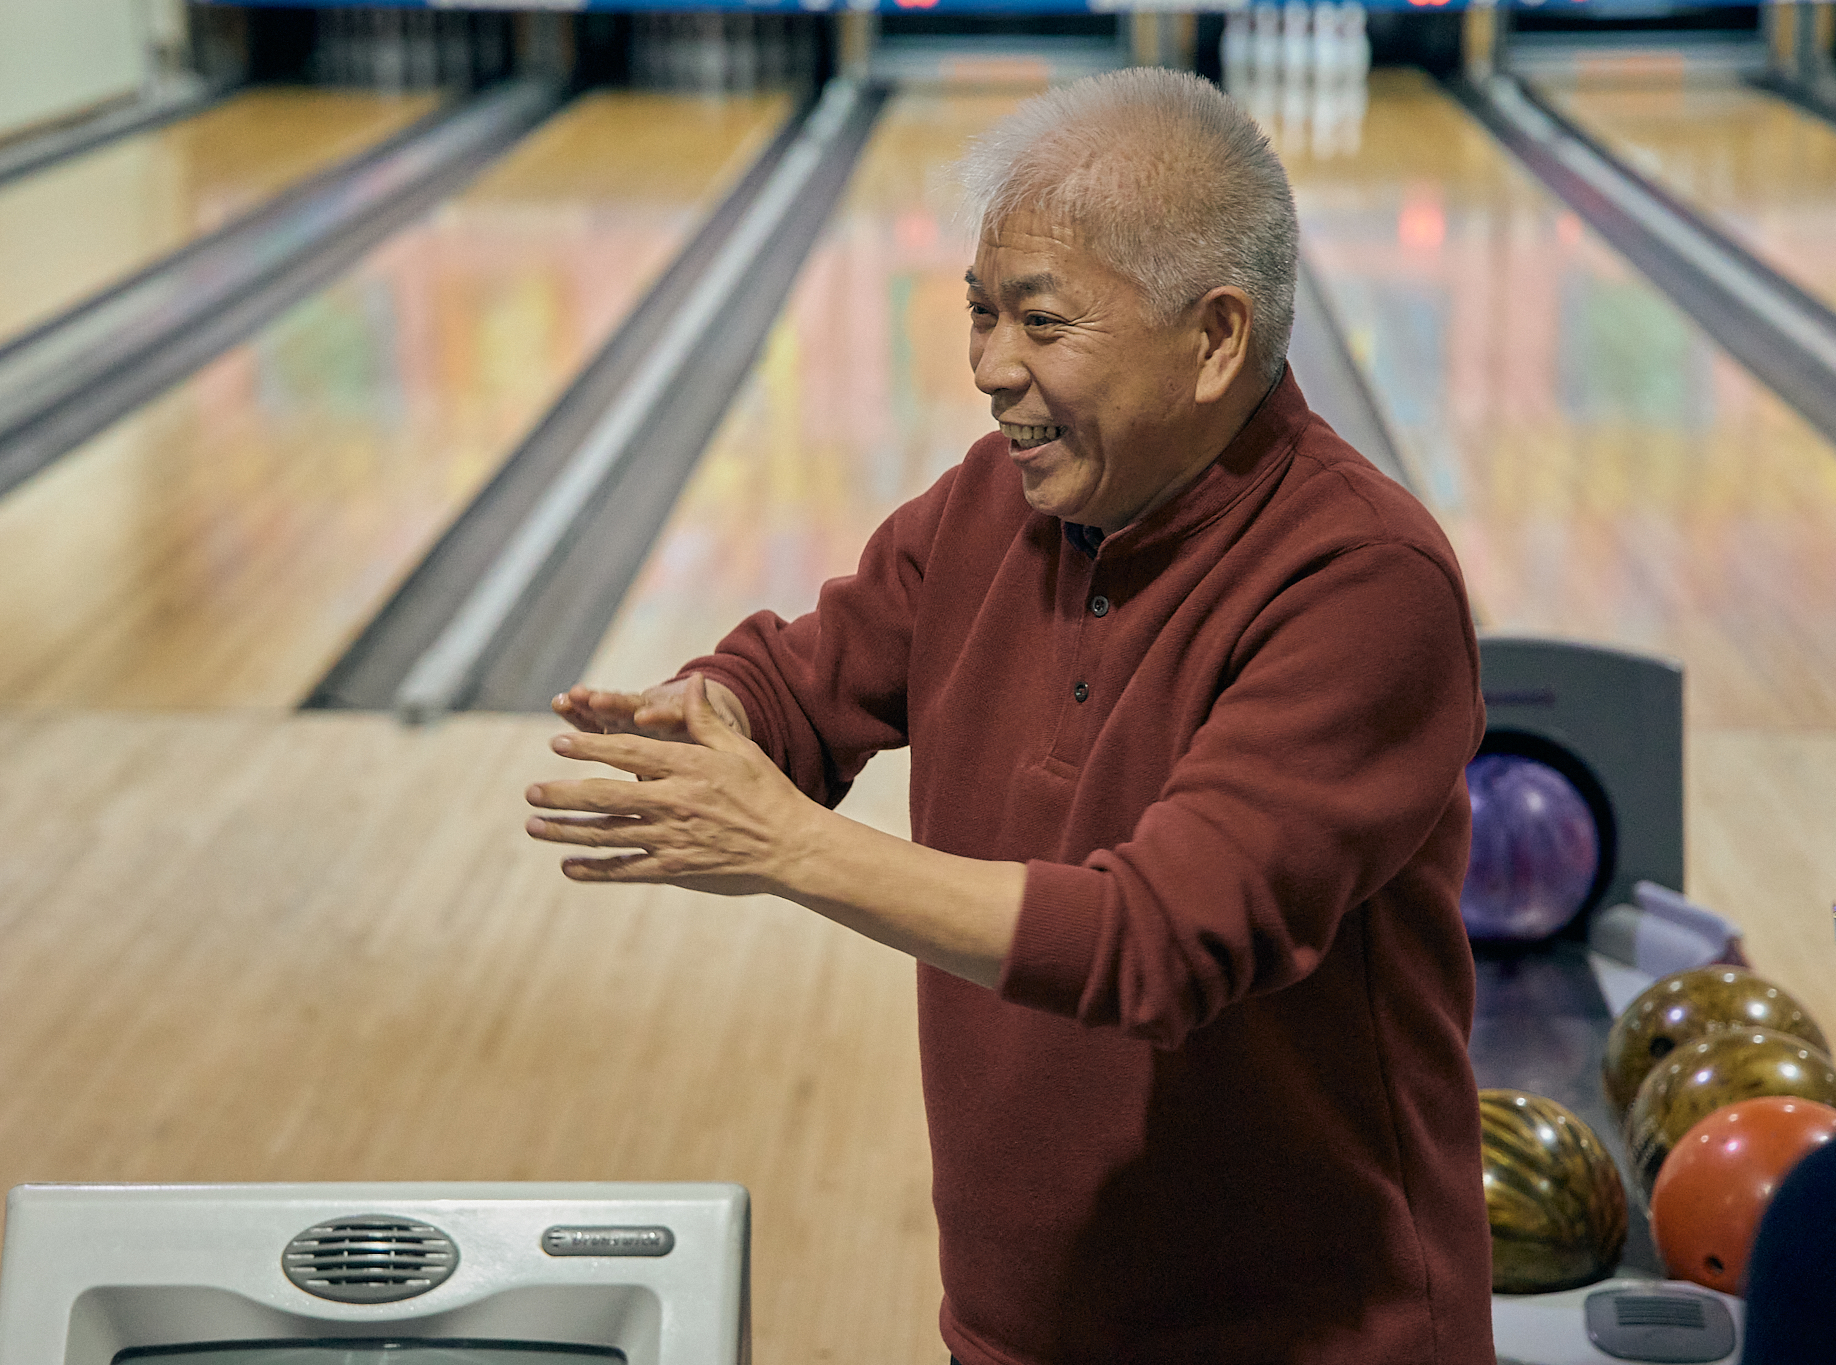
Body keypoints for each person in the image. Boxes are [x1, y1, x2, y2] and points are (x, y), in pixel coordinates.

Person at [526, 67, 1493, 1365]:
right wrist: (710, 714)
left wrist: (789, 847)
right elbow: (808, 683)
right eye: (979, 314)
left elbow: (1162, 941)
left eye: (1040, 322)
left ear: (1215, 338)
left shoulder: (1363, 582)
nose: (989, 369)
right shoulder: (996, 503)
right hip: (1017, 1326)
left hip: (1317, 1341)